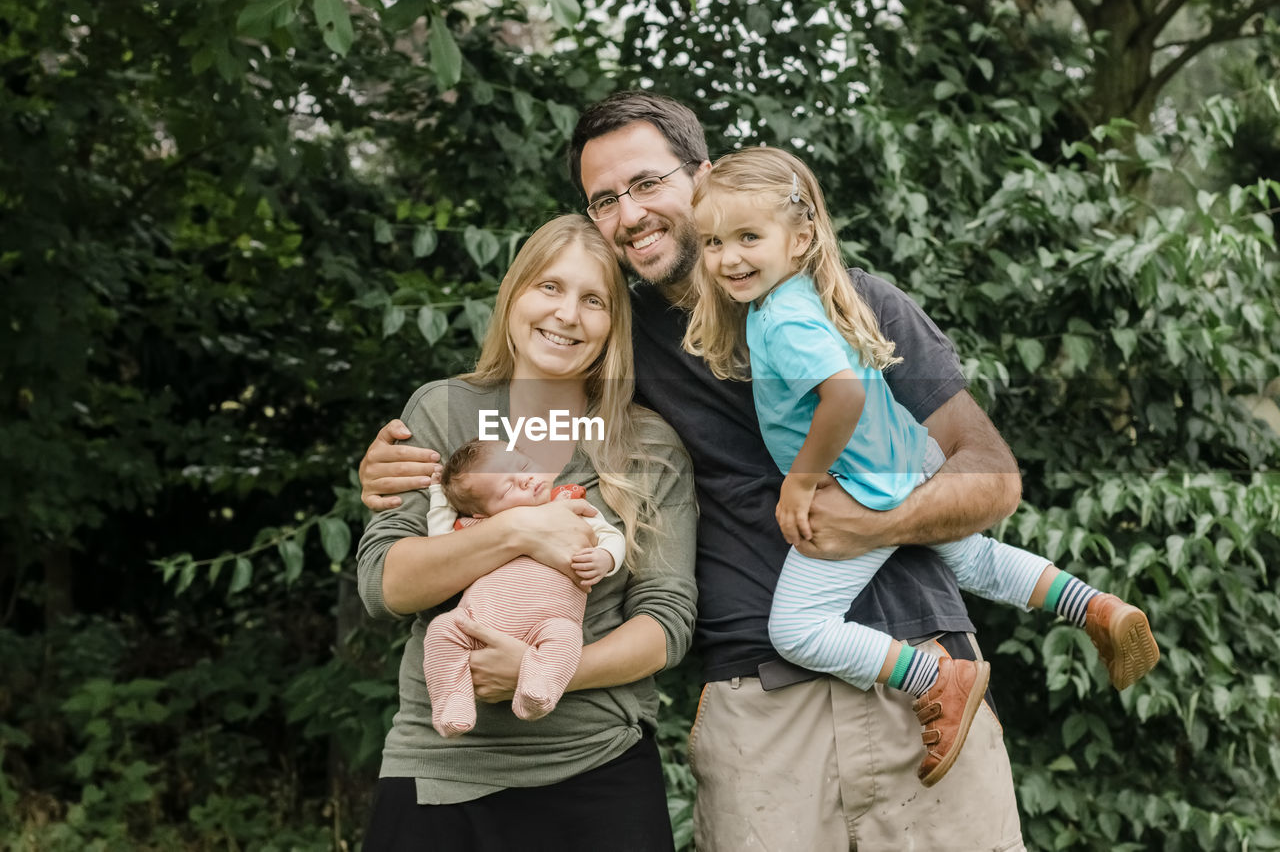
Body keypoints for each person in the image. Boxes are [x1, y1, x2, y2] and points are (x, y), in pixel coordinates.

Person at [356, 91, 1083, 849]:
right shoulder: (621, 344)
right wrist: (420, 469)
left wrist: (874, 523)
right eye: (603, 199)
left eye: (645, 183)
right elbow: (525, 401)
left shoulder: (851, 303)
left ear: (701, 175)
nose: (628, 213)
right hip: (760, 702)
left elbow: (993, 478)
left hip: (927, 678)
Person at [680, 145, 1159, 786]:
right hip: (912, 456)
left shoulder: (782, 319)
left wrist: (800, 480)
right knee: (977, 559)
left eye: (747, 237)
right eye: (711, 241)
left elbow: (843, 395)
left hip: (867, 484)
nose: (727, 257)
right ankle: (1096, 608)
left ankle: (934, 676)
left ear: (799, 240)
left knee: (796, 628)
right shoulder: (811, 294)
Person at [355, 213, 697, 851]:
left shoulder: (647, 445)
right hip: (440, 770)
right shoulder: (443, 410)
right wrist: (518, 531)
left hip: (598, 771)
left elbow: (667, 622)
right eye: (549, 287)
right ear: (513, 295)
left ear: (613, 324)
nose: (567, 314)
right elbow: (385, 585)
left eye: (593, 299)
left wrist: (544, 672)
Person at [422, 438, 626, 738]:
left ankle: (539, 689)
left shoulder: (570, 507)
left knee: (567, 637)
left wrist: (605, 558)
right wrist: (440, 494)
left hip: (548, 625)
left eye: (524, 465)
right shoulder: (482, 530)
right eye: (508, 488)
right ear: (482, 513)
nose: (526, 479)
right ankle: (452, 700)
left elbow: (611, 536)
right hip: (475, 622)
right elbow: (440, 545)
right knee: (441, 631)